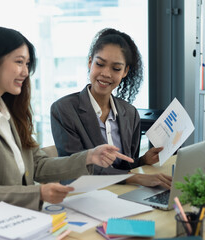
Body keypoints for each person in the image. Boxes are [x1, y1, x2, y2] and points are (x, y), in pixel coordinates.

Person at [0, 26, 134, 216]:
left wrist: (89, 157)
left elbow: (39, 166)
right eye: (19, 62)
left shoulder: (9, 112)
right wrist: (39, 192)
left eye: (27, 64)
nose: (26, 72)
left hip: (22, 218)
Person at [50, 28, 172, 188]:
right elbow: (78, 169)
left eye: (116, 68)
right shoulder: (64, 109)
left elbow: (124, 166)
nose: (106, 73)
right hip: (83, 194)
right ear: (89, 62)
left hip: (120, 193)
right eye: (100, 64)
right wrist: (133, 178)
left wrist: (142, 161)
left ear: (125, 71)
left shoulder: (129, 113)